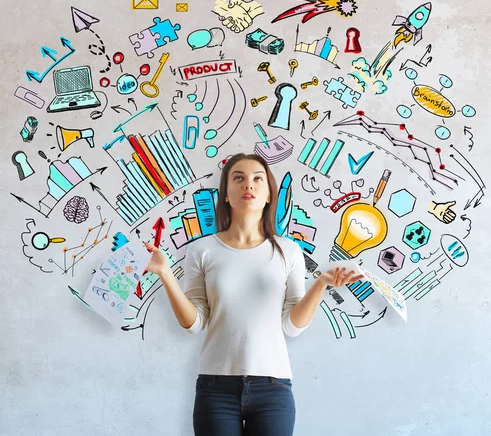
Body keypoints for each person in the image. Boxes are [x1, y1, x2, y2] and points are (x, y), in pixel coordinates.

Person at [143, 152, 363, 436]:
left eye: (258, 179)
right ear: (225, 194)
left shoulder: (289, 251)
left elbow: (292, 326)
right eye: (239, 178)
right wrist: (165, 274)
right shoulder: (201, 251)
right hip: (216, 387)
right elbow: (194, 323)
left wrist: (320, 284)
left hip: (273, 388)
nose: (249, 185)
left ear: (270, 194)